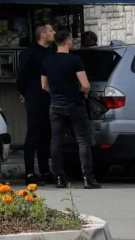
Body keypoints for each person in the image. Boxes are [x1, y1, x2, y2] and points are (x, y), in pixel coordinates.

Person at [42, 30, 100, 189]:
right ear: (68, 41)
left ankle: (59, 178)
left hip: (55, 106)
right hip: (75, 104)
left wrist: (55, 93)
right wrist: (84, 93)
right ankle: (88, 178)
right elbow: (85, 85)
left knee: (56, 141)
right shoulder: (75, 60)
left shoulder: (48, 60)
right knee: (83, 140)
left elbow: (44, 86)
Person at [16, 24, 56, 185]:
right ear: (43, 35)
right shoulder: (31, 52)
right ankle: (30, 172)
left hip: (49, 96)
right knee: (33, 133)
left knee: (46, 134)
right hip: (34, 95)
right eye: (51, 31)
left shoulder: (51, 52)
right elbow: (21, 77)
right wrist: (25, 93)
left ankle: (45, 171)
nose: (54, 33)